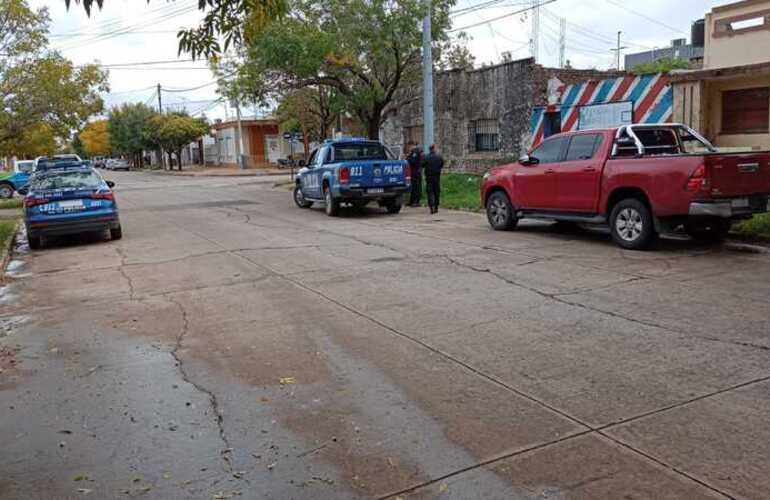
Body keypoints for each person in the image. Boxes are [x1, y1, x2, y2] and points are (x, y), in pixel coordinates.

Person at [423, 144, 444, 214]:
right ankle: (436, 207)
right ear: (434, 149)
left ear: (429, 149)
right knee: (436, 192)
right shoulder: (439, 157)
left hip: (429, 177)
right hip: (436, 176)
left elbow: (422, 165)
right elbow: (442, 164)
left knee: (430, 192)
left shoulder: (426, 157)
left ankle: (431, 207)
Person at [406, 142, 423, 207]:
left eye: (409, 146)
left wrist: (408, 158)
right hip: (414, 172)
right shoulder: (413, 152)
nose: (408, 148)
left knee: (416, 187)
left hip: (416, 172)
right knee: (413, 187)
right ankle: (412, 201)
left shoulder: (415, 152)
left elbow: (413, 161)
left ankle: (416, 202)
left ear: (412, 145)